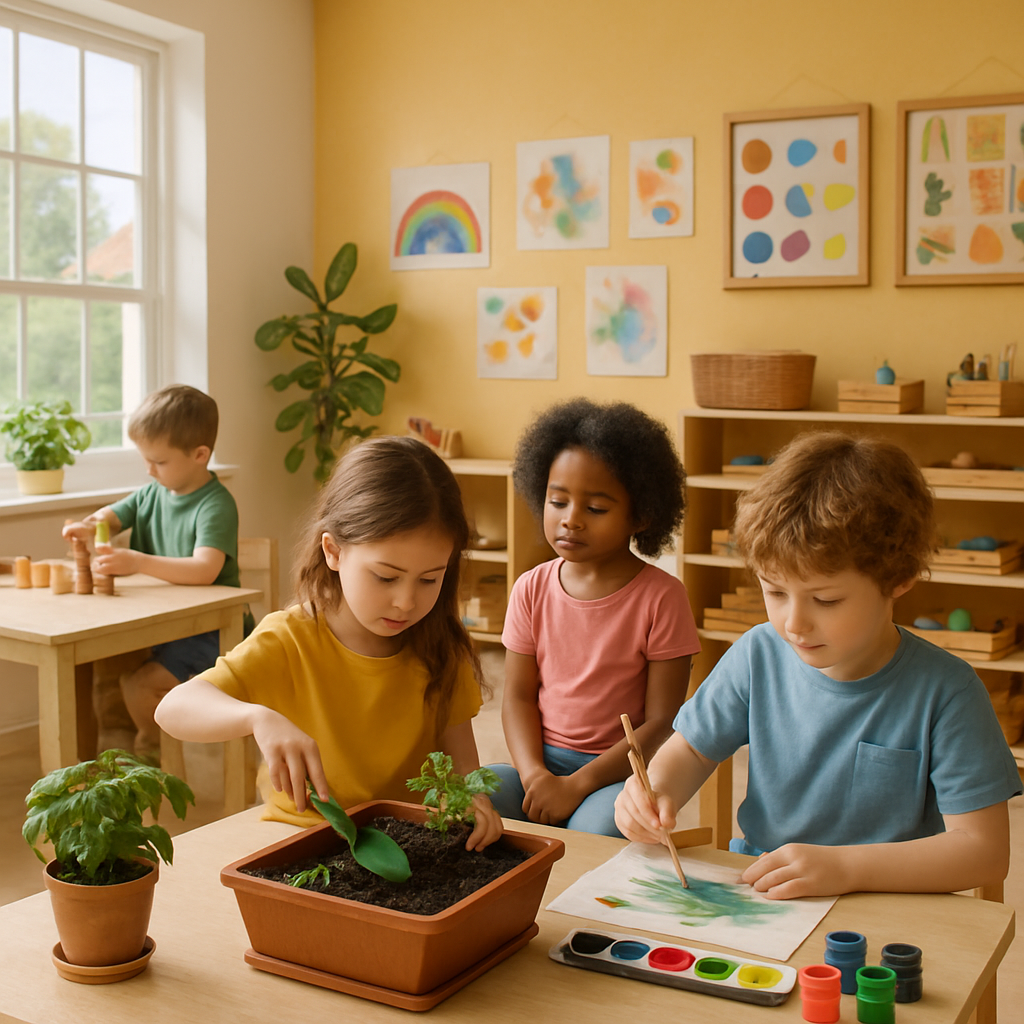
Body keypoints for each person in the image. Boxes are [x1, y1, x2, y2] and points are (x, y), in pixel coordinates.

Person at [615, 431, 1022, 898]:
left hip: (887, 907)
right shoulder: (757, 654)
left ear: (899, 579)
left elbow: (985, 852)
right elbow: (691, 750)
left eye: (826, 599)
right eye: (774, 591)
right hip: (761, 892)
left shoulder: (947, 692)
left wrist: (846, 868)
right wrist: (651, 793)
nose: (794, 623)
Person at [155, 436, 502, 850]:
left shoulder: (442, 642)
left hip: (408, 843)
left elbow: (461, 759)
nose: (406, 601)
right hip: (303, 837)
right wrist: (257, 718)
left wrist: (474, 799)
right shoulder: (290, 638)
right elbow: (173, 708)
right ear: (333, 551)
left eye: (429, 579)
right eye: (386, 577)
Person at [488, 398, 700, 837]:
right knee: (474, 798)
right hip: (541, 765)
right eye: (557, 501)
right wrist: (534, 777)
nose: (571, 520)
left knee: (593, 836)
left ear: (640, 514)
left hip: (614, 774)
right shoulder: (530, 587)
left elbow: (662, 720)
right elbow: (518, 698)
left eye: (596, 509)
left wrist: (578, 784)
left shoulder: (663, 597)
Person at [63, 384, 238, 764]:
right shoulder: (150, 493)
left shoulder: (215, 504)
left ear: (199, 455)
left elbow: (206, 570)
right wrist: (89, 526)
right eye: (146, 460)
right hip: (159, 624)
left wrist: (138, 561)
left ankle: (153, 759)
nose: (149, 470)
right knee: (108, 674)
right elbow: (109, 516)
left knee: (140, 687)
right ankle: (114, 764)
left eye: (158, 461)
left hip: (208, 629)